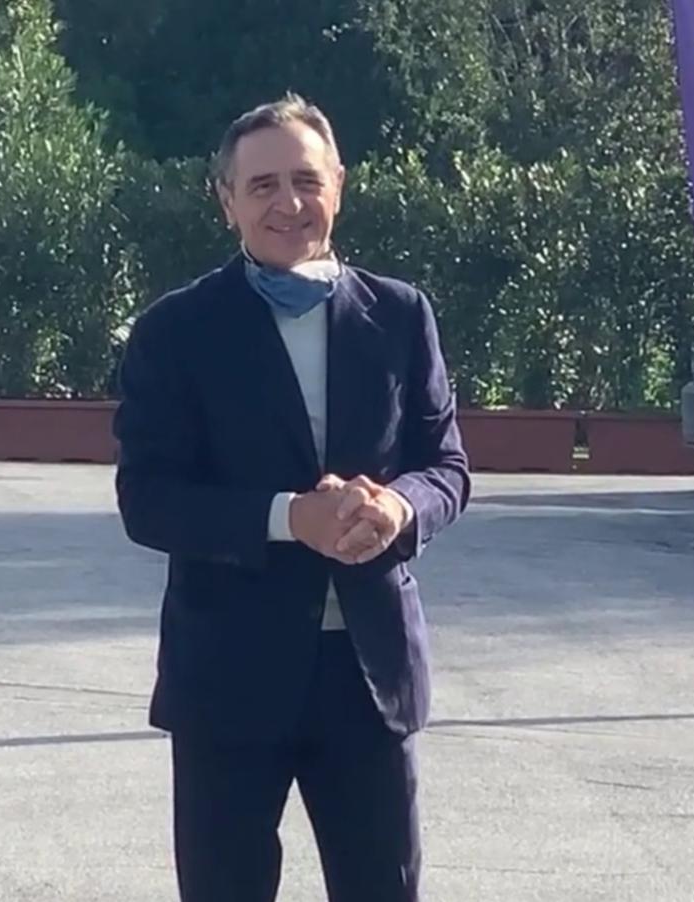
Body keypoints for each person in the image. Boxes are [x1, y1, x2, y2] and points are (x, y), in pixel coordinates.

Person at [112, 93, 470, 902]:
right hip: (228, 677)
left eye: (306, 180)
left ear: (338, 184)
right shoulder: (177, 331)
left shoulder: (400, 316)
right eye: (263, 185)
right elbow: (149, 498)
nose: (288, 204)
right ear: (227, 200)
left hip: (369, 675)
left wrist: (400, 508)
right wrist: (287, 518)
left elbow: (446, 466)